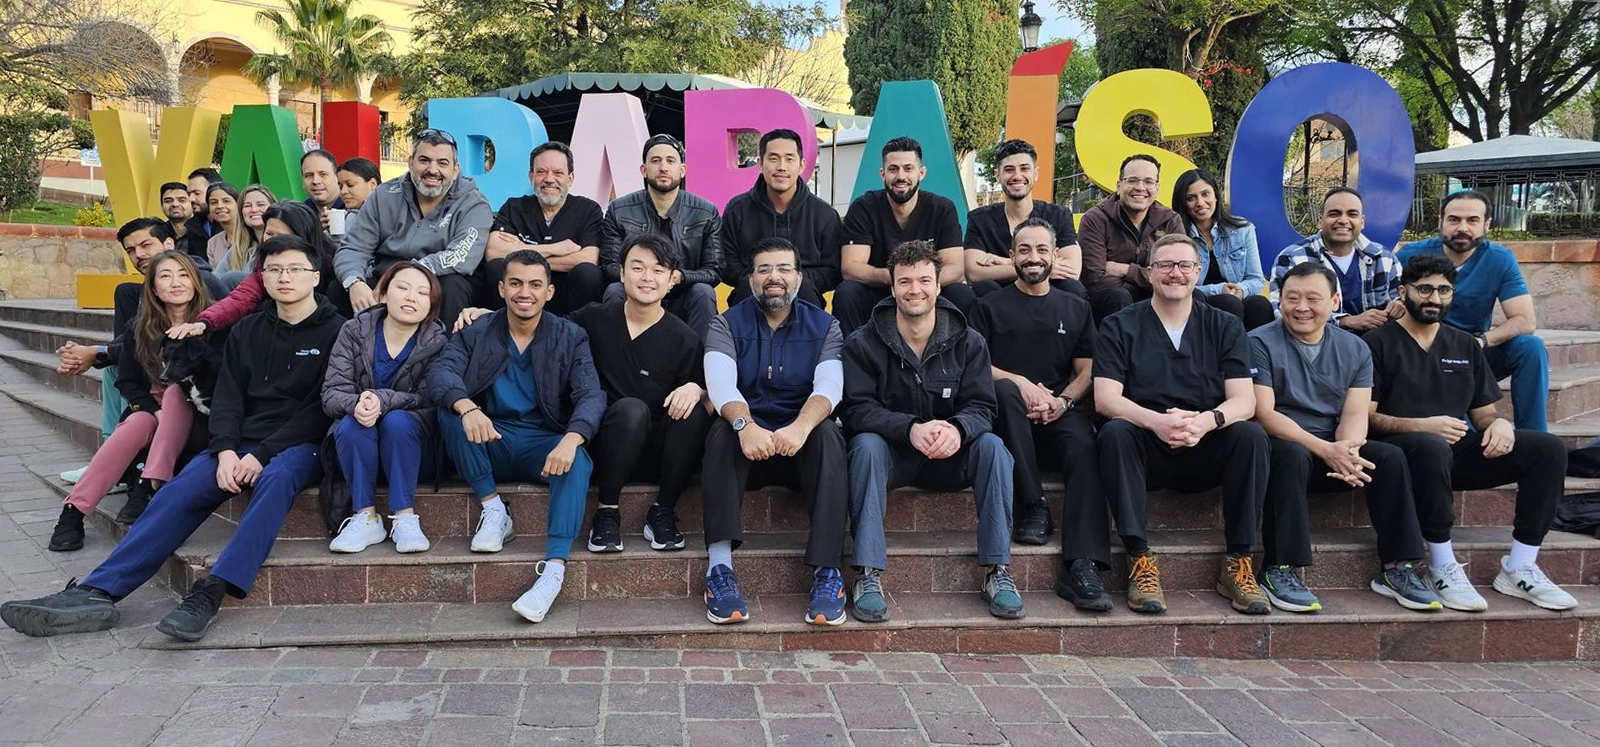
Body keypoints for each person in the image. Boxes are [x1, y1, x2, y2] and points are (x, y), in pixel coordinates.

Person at [0, 235, 345, 641]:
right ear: (262, 278)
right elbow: (228, 399)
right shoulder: (246, 329)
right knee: (176, 493)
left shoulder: (337, 330)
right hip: (241, 441)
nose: (284, 277)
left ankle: (212, 591)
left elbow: (319, 408)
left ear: (315, 277)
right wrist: (226, 450)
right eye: (274, 270)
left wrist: (261, 455)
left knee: (276, 480)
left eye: (294, 269)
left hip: (298, 446)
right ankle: (97, 591)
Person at [1367, 253, 1576, 612]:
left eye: (1444, 290)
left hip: (1454, 450)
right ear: (1403, 292)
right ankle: (1441, 565)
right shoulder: (1376, 343)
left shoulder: (1464, 344)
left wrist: (1499, 424)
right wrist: (1422, 425)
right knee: (1431, 446)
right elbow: (1367, 417)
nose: (1434, 298)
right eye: (1425, 289)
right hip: (1400, 453)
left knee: (1548, 449)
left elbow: (1483, 411)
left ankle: (1520, 565)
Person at [843, 239, 1023, 622]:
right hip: (893, 457)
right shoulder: (863, 342)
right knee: (865, 447)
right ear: (892, 288)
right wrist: (908, 429)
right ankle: (867, 573)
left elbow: (983, 406)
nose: (915, 290)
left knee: (992, 446)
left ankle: (998, 572)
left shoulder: (969, 340)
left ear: (939, 286)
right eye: (905, 282)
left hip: (949, 456)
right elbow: (856, 410)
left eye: (924, 280)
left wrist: (958, 429)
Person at [422, 250, 604, 624]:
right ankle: (494, 509)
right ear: (501, 288)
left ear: (550, 292)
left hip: (543, 443)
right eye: (516, 283)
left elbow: (591, 394)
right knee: (450, 411)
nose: (526, 292)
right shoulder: (477, 331)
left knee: (579, 460)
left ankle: (553, 570)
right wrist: (467, 407)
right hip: (493, 439)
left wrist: (572, 439)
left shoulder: (570, 336)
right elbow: (441, 373)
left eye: (535, 285)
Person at [1095, 233, 1271, 615]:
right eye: (1165, 265)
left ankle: (1238, 563)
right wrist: (1157, 422)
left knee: (1250, 435)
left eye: (1184, 265)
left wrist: (1207, 422)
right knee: (1115, 432)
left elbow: (1245, 400)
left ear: (1198, 271)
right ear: (1149, 272)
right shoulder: (1120, 325)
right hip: (1148, 446)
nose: (1175, 273)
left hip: (1205, 444)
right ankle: (1139, 559)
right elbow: (1106, 399)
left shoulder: (1224, 325)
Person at [1252, 261, 1442, 613]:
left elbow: (1355, 413)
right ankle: (1279, 567)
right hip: (1288, 443)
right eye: (1292, 298)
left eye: (1313, 298)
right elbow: (1264, 413)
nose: (1301, 307)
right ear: (1280, 301)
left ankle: (1397, 567)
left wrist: (1349, 451)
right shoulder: (1259, 342)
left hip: (1334, 446)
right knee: (1288, 455)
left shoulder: (1356, 348)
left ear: (1335, 301)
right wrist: (1326, 450)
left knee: (1389, 457)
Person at [700, 237, 850, 626]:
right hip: (748, 445)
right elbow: (720, 385)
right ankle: (719, 570)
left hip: (798, 442)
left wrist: (800, 428)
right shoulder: (725, 323)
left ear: (799, 277)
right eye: (764, 269)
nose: (774, 278)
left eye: (784, 269)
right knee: (720, 433)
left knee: (829, 435)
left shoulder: (825, 325)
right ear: (750, 278)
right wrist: (744, 426)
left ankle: (827, 573)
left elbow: (830, 387)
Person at [970, 217, 1111, 611]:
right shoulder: (988, 305)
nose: (1033, 258)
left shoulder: (1076, 305)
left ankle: (1083, 565)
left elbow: (1087, 370)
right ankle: (1033, 504)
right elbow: (978, 366)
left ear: (1054, 255)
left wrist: (1062, 401)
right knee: (1003, 391)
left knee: (1086, 447)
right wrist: (1022, 384)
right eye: (1025, 250)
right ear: (1012, 255)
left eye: (1042, 250)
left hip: (1058, 411)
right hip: (1009, 416)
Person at [47, 251, 221, 551]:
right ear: (152, 288)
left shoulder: (216, 323)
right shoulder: (141, 328)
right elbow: (127, 380)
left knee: (176, 393)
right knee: (136, 422)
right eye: (165, 276)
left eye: (183, 275)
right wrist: (155, 412)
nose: (175, 282)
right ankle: (74, 512)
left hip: (201, 420)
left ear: (195, 281)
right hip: (155, 417)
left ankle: (146, 485)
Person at [565, 233, 712, 552]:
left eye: (658, 270)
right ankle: (606, 513)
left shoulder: (684, 339)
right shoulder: (594, 318)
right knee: (631, 409)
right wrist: (483, 315)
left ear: (673, 279)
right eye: (638, 268)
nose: (647, 277)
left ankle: (663, 510)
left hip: (656, 454)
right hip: (603, 444)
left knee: (695, 410)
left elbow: (711, 396)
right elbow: (543, 328)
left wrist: (697, 388)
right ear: (621, 273)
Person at [56, 219, 228, 487]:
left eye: (146, 245)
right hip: (160, 387)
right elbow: (132, 340)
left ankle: (127, 463)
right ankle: (114, 455)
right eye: (131, 250)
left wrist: (96, 353)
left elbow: (217, 326)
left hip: (196, 397)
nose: (139, 255)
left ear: (169, 244)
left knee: (129, 374)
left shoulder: (199, 281)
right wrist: (97, 353)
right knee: (118, 370)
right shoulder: (144, 293)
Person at [324, 260, 448, 554]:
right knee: (353, 421)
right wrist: (357, 403)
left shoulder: (438, 342)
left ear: (431, 304)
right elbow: (331, 394)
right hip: (358, 452)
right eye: (402, 288)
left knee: (398, 421)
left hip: (413, 454)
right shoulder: (354, 331)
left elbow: (432, 398)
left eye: (421, 293)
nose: (410, 297)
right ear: (382, 294)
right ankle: (365, 517)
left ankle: (404, 517)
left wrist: (383, 400)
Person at [1397, 190, 1548, 431]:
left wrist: (1482, 341)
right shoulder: (1410, 255)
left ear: (1487, 224)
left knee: (1530, 347)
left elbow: (1524, 320)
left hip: (1474, 352)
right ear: (1441, 222)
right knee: (1466, 431)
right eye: (1454, 219)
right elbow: (1389, 308)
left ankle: (1534, 438)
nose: (1462, 228)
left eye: (1472, 220)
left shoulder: (1500, 259)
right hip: (1423, 354)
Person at [336, 128, 492, 326]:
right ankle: (346, 353)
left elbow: (461, 256)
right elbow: (354, 247)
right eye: (424, 160)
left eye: (442, 163)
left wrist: (403, 277)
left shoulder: (474, 204)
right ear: (410, 162)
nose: (432, 170)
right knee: (339, 287)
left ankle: (447, 354)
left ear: (455, 170)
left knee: (453, 286)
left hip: (439, 277)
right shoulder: (385, 195)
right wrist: (354, 283)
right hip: (385, 276)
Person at [836, 136, 974, 335]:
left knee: (961, 294)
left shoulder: (942, 209)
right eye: (893, 169)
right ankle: (851, 357)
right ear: (883, 174)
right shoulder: (864, 207)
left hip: (926, 293)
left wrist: (918, 283)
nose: (901, 176)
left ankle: (956, 360)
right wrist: (898, 279)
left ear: (921, 173)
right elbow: (850, 268)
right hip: (879, 290)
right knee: (848, 293)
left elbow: (955, 268)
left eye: (908, 168)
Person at [170, 201, 351, 342]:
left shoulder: (333, 263)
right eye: (269, 234)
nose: (273, 242)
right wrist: (205, 322)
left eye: (284, 236)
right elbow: (241, 297)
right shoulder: (264, 261)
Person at [600, 134, 721, 338]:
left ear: (682, 170)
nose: (663, 167)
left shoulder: (706, 212)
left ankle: (700, 366)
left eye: (670, 161)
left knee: (703, 292)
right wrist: (643, 279)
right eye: (655, 161)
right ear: (644, 170)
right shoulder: (619, 210)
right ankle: (615, 362)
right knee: (614, 290)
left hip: (683, 295)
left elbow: (714, 271)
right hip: (637, 294)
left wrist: (680, 276)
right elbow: (610, 266)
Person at [721, 128, 841, 308]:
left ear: (801, 165)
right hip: (751, 292)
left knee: (807, 291)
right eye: (774, 158)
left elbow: (833, 270)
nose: (781, 167)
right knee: (746, 290)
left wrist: (791, 279)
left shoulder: (824, 214)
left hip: (804, 294)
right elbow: (726, 262)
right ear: (760, 164)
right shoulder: (737, 209)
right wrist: (762, 278)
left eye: (789, 159)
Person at [482, 141, 605, 315]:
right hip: (520, 293)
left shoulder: (588, 210)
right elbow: (494, 252)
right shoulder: (513, 207)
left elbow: (587, 259)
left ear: (570, 179)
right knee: (496, 267)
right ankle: (501, 333)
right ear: (531, 176)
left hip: (566, 295)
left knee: (588, 274)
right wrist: (555, 249)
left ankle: (578, 335)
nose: (549, 179)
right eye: (541, 172)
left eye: (558, 173)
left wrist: (520, 251)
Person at [1270, 187, 1403, 333]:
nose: (1343, 220)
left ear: (1362, 221)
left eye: (1352, 214)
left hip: (1375, 346)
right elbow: (1280, 310)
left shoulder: (1384, 258)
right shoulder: (1292, 258)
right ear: (1320, 220)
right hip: (1314, 345)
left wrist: (1399, 305)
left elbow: (1400, 298)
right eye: (1334, 214)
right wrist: (1345, 321)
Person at [964, 139, 1083, 298]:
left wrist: (1004, 262)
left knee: (1073, 288)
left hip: (1047, 296)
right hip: (1000, 300)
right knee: (984, 287)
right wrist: (1038, 268)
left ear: (1035, 174)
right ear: (997, 176)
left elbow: (1072, 269)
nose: (1017, 176)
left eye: (1024, 168)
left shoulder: (1058, 215)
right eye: (1009, 169)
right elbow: (974, 273)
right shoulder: (980, 219)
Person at [1078, 154, 1184, 323]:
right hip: (1112, 302)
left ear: (1157, 188)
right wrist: (1151, 279)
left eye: (1148, 182)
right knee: (1119, 297)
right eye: (1133, 180)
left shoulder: (1171, 221)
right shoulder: (1095, 219)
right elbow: (1094, 280)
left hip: (1157, 297)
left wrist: (1126, 270)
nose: (1140, 187)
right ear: (1119, 186)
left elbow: (1179, 274)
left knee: (1196, 297)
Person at [1171, 168, 1273, 330]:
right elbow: (1178, 286)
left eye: (1205, 194)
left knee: (1259, 304)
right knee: (1228, 302)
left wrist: (1240, 290)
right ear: (1183, 203)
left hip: (1236, 298)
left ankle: (1259, 354)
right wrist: (1218, 290)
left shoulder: (1242, 229)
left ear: (1216, 196)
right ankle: (1230, 354)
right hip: (1197, 302)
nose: (1200, 203)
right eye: (1191, 198)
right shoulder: (1177, 236)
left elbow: (1256, 279)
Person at [216, 185, 275, 286]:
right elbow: (215, 279)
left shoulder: (283, 244)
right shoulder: (238, 249)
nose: (254, 209)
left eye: (260, 204)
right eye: (247, 205)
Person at [204, 183, 255, 276]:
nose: (219, 206)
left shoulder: (252, 235)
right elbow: (216, 279)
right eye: (213, 202)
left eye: (226, 201)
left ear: (238, 204)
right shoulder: (213, 243)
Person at [158, 181, 206, 259]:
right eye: (168, 201)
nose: (175, 204)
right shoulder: (159, 234)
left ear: (192, 204)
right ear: (162, 206)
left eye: (182, 200)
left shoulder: (205, 230)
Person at [301, 149, 343, 218]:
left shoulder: (354, 211)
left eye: (323, 174)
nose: (315, 181)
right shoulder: (299, 214)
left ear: (337, 177)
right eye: (309, 175)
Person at [186, 167, 221, 235]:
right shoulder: (192, 226)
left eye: (197, 193)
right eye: (189, 194)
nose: (191, 199)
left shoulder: (235, 226)